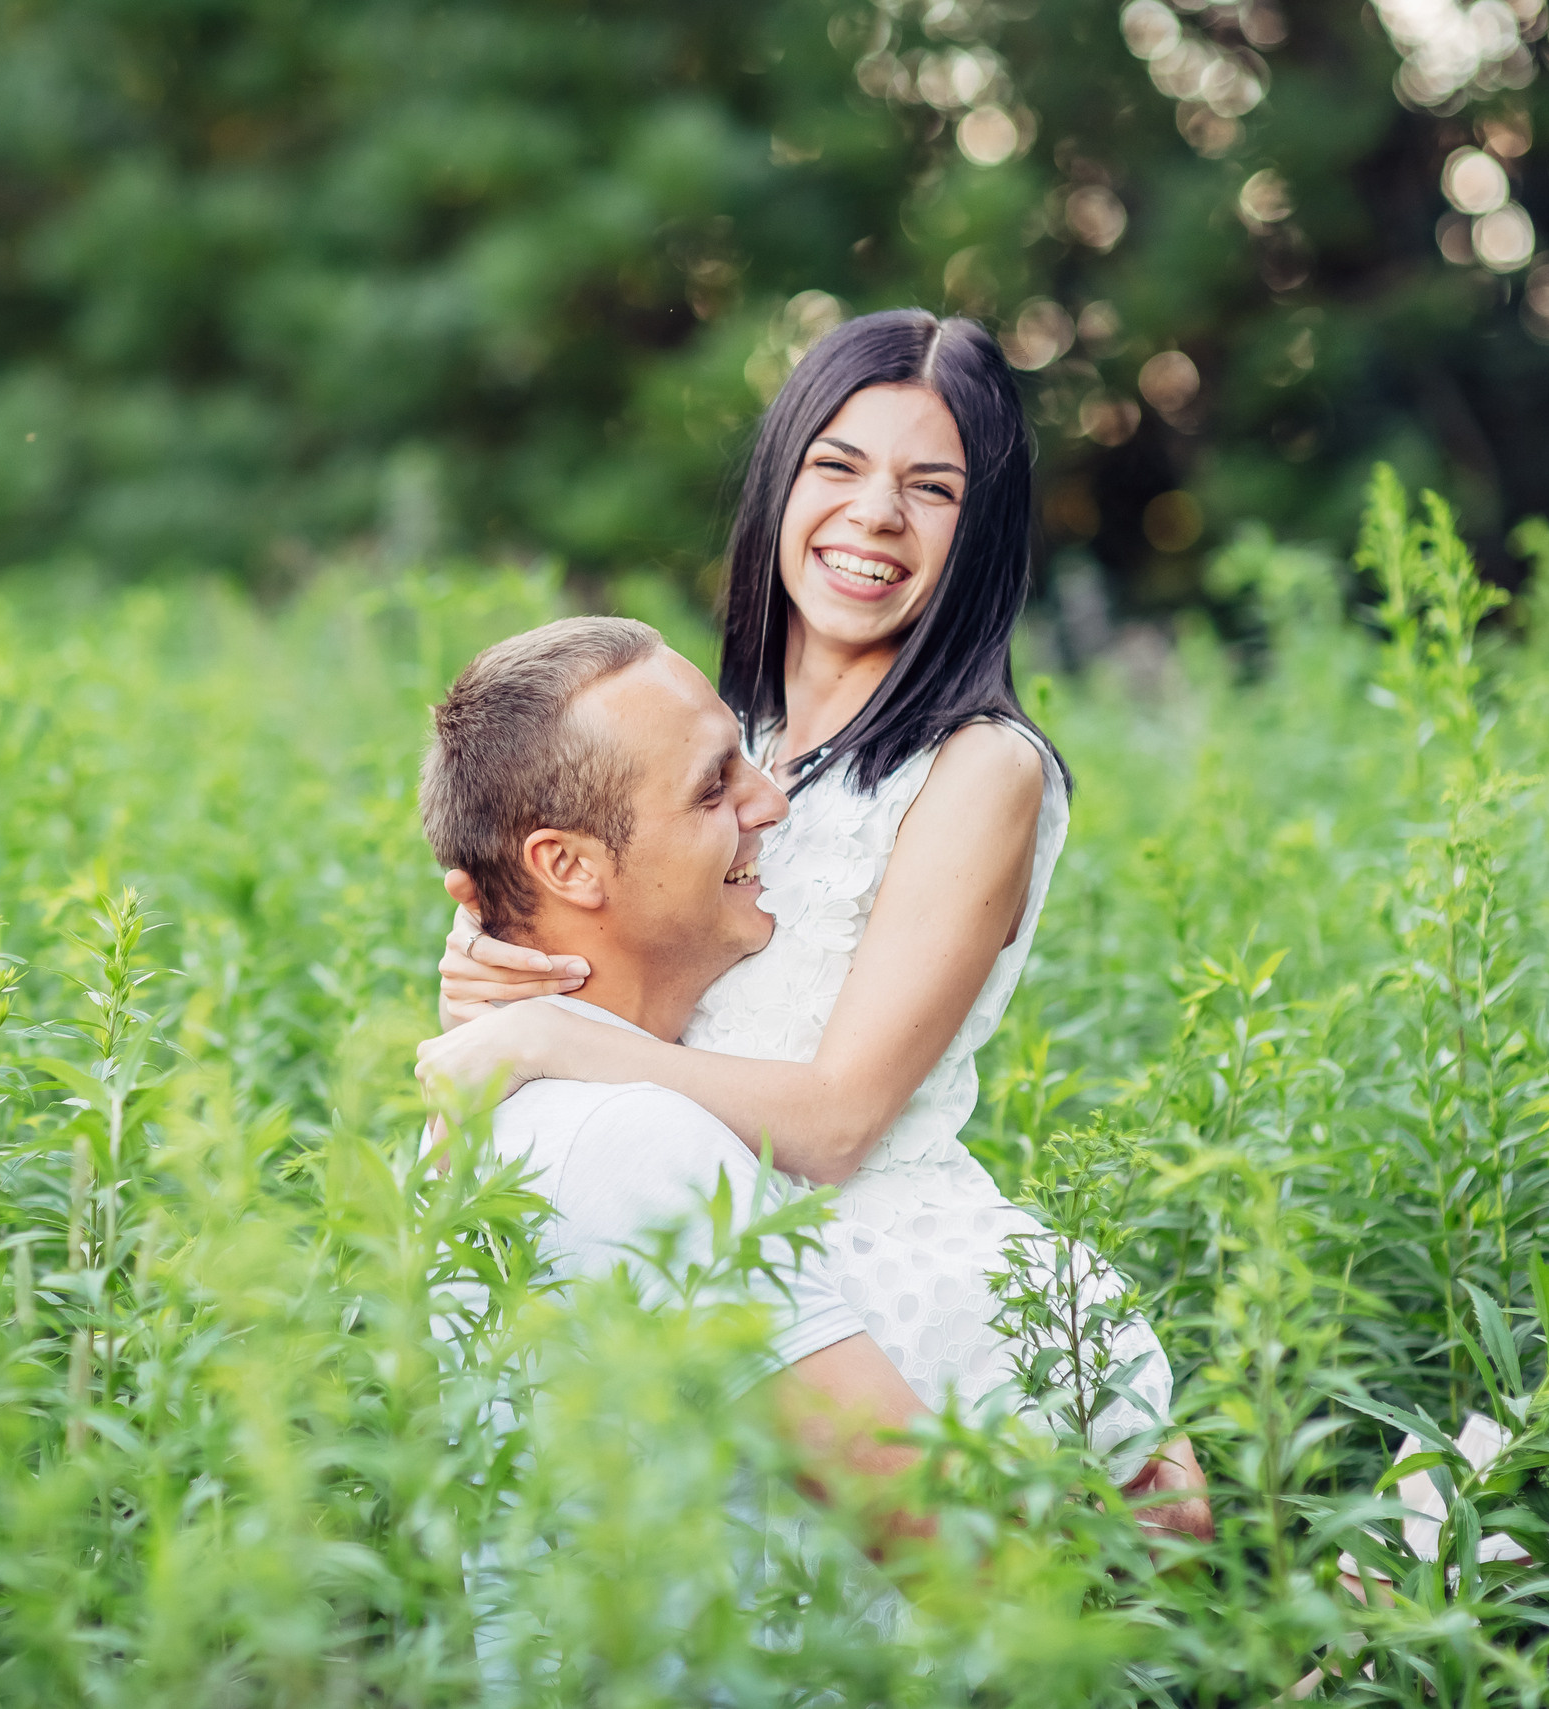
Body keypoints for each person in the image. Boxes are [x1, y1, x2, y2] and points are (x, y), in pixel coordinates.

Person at [420, 308, 1208, 1525]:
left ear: (981, 531)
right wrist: (495, 972)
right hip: (682, 1230)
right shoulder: (718, 737)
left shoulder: (979, 766)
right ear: (779, 482)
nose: (875, 513)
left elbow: (840, 1119)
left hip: (873, 1267)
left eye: (932, 487)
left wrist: (558, 1039)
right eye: (837, 464)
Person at [420, 615, 947, 1556]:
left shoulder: (499, 1115)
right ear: (568, 865)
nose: (772, 802)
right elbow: (949, 1539)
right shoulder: (634, 1142)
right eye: (713, 787)